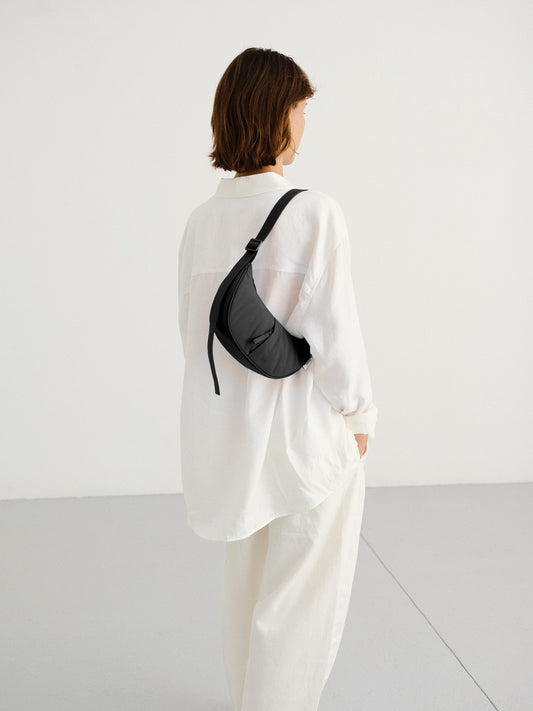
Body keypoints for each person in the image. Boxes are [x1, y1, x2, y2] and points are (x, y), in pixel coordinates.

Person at [178, 46, 378, 711]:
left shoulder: (201, 222)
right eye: (299, 108)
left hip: (232, 445)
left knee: (247, 595)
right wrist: (358, 419)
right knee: (299, 609)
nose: (304, 123)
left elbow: (192, 337)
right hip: (304, 441)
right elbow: (338, 338)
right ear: (275, 113)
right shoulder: (313, 212)